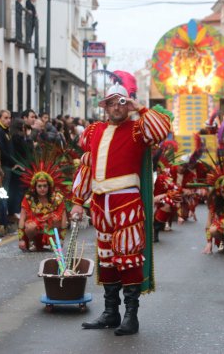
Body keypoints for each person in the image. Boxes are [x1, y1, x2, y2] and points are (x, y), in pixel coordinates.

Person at [71, 80, 171, 336]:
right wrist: (77, 202)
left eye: (121, 102)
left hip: (126, 201)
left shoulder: (138, 129)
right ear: (105, 106)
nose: (117, 107)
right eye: (112, 102)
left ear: (128, 105)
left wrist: (139, 107)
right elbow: (88, 166)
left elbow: (161, 130)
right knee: (106, 259)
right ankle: (110, 312)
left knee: (127, 257)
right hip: (99, 202)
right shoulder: (94, 130)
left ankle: (131, 316)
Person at [17, 159, 67, 251]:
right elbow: (22, 219)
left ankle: (55, 242)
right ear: (35, 187)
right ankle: (33, 242)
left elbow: (64, 220)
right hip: (35, 231)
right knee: (30, 226)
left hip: (52, 230)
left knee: (56, 219)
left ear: (49, 186)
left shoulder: (57, 198)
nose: (42, 189)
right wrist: (21, 240)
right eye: (39, 186)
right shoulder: (28, 198)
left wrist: (62, 239)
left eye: (45, 186)